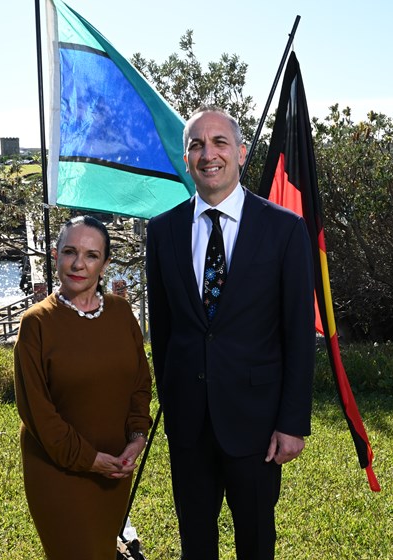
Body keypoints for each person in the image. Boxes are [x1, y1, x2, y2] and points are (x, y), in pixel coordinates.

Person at [146, 105, 316, 559]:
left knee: (256, 542)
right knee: (195, 546)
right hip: (188, 425)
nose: (208, 154)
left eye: (219, 142)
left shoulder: (284, 229)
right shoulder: (162, 232)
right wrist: (172, 402)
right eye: (196, 145)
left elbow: (299, 335)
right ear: (186, 159)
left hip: (257, 426)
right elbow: (162, 332)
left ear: (241, 153)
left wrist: (292, 423)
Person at [14, 215, 152, 560]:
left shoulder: (121, 313)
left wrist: (137, 438)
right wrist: (90, 460)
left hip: (115, 467)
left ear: (105, 264)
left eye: (91, 255)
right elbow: (38, 413)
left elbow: (139, 382)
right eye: (70, 252)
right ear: (54, 255)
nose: (79, 264)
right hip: (59, 471)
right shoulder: (36, 324)